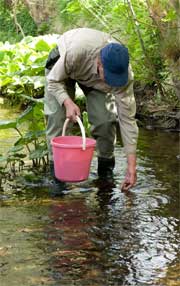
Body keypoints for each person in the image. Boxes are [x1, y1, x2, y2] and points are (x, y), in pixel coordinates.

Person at [44, 28, 139, 193]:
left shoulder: (123, 76)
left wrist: (132, 167)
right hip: (63, 67)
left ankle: (105, 173)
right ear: (99, 63)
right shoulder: (76, 52)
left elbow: (127, 121)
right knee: (57, 120)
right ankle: (57, 177)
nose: (113, 82)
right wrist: (67, 102)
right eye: (109, 77)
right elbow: (53, 81)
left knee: (105, 121)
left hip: (93, 79)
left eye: (116, 79)